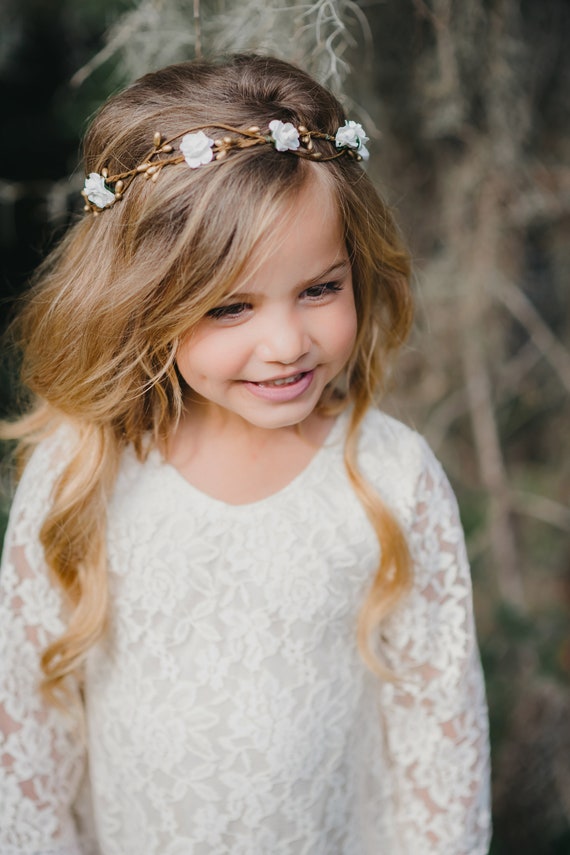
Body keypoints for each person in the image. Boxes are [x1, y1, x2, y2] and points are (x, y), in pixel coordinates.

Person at [0, 54, 491, 855]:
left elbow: (438, 765)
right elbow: (30, 762)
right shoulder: (80, 477)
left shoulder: (391, 479)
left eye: (319, 289)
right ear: (143, 302)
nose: (287, 343)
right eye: (230, 306)